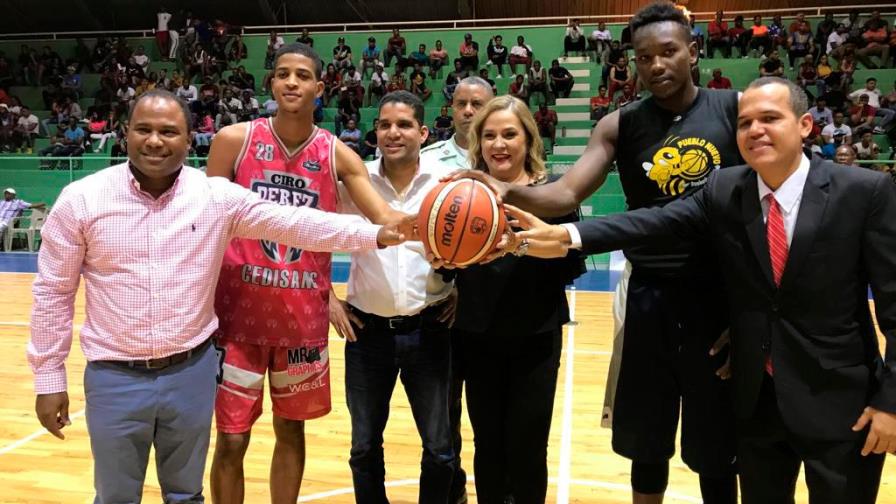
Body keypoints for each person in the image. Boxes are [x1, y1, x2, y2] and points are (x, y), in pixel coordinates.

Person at [513, 77, 896, 504]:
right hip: (757, 406)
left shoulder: (864, 193)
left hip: (842, 407)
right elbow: (651, 221)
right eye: (745, 122)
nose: (755, 130)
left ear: (805, 125)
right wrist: (567, 235)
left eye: (770, 118)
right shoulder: (724, 188)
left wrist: (891, 402)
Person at [27, 89, 408, 504]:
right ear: (125, 134)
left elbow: (296, 223)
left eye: (169, 132)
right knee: (116, 496)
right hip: (114, 376)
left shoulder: (214, 197)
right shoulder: (82, 199)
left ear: (190, 139)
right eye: (145, 130)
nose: (156, 141)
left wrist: (376, 234)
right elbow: (53, 293)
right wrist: (48, 378)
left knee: (186, 494)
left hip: (191, 373)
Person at [446, 4, 741, 503]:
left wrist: (747, 309)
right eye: (644, 57)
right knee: (646, 445)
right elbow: (564, 197)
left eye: (668, 52)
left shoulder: (733, 110)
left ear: (693, 51)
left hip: (717, 298)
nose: (656, 65)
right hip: (648, 295)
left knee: (717, 451)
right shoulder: (619, 125)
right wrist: (495, 186)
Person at [204, 44, 415, 504]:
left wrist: (435, 225)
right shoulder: (233, 141)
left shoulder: (337, 153)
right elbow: (203, 224)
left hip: (300, 320)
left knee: (290, 428)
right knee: (232, 439)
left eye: (303, 76)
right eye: (283, 74)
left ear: (320, 89)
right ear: (272, 84)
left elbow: (385, 220)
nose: (292, 82)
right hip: (236, 317)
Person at [452, 95, 584, 504]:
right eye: (489, 135)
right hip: (477, 338)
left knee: (528, 448)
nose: (499, 144)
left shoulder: (553, 197)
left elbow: (569, 268)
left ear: (528, 139)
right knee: (488, 444)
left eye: (509, 134)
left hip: (535, 339)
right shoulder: (464, 194)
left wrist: (520, 244)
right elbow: (446, 267)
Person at [328, 90, 457, 504]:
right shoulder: (354, 182)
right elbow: (307, 236)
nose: (392, 132)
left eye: (403, 125)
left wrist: (464, 290)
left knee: (440, 448)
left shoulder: (446, 184)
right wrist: (326, 298)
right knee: (364, 447)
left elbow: (476, 244)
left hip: (431, 329)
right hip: (367, 335)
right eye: (384, 124)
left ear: (422, 132)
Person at [420, 76, 495, 504]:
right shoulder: (430, 161)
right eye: (462, 103)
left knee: (487, 412)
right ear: (451, 109)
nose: (468, 110)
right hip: (443, 308)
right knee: (444, 415)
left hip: (490, 307)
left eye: (477, 103)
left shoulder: (502, 156)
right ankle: (453, 491)